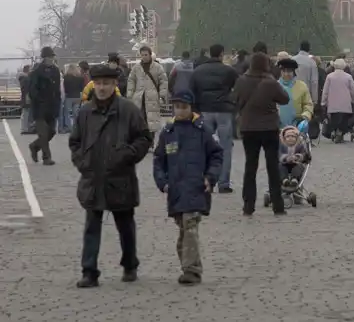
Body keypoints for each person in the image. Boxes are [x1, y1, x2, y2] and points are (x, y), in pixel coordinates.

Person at [69, 64, 151, 288]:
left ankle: (130, 264)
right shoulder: (85, 112)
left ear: (114, 84)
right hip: (93, 178)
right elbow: (75, 141)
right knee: (91, 227)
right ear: (93, 85)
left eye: (106, 83)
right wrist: (82, 162)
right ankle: (89, 271)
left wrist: (127, 155)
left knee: (125, 226)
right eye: (98, 83)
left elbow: (144, 138)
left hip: (120, 177)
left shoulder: (128, 110)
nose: (102, 88)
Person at [153, 90, 223, 285]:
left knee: (190, 226)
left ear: (191, 107)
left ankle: (191, 270)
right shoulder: (168, 133)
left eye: (184, 107)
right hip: (175, 190)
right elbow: (159, 160)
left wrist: (210, 177)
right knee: (184, 231)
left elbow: (216, 155)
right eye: (177, 107)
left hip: (197, 187)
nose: (180, 111)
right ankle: (190, 266)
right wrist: (163, 183)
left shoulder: (203, 130)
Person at [233, 51, 289, 216]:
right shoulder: (270, 82)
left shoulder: (241, 81)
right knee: (273, 167)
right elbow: (284, 99)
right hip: (269, 127)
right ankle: (278, 204)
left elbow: (234, 99)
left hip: (249, 127)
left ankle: (248, 205)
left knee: (250, 166)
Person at [190, 43, 238, 193]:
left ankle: (208, 181)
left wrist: (195, 110)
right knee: (225, 147)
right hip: (224, 110)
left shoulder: (198, 71)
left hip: (205, 110)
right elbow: (237, 89)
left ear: (209, 53)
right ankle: (224, 183)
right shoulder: (229, 71)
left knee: (205, 146)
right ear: (221, 54)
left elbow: (192, 91)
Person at [28, 47, 61, 166]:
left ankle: (34, 146)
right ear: (44, 58)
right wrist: (39, 100)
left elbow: (57, 89)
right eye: (49, 57)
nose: (51, 59)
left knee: (51, 132)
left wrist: (58, 103)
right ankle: (46, 158)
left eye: (52, 57)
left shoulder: (55, 70)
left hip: (52, 106)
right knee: (43, 134)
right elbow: (32, 90)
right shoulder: (36, 71)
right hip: (40, 107)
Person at [127, 46, 168, 137]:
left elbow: (163, 81)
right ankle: (143, 139)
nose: (144, 57)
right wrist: (130, 94)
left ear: (150, 55)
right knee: (140, 121)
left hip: (153, 98)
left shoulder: (157, 67)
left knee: (152, 122)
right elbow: (131, 80)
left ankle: (151, 140)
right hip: (139, 99)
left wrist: (162, 95)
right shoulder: (136, 68)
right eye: (142, 55)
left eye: (146, 55)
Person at [321, 58, 354, 142]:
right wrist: (352, 98)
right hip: (345, 102)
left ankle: (334, 131)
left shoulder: (330, 76)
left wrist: (323, 101)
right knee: (344, 119)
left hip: (332, 102)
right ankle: (340, 132)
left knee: (334, 118)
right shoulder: (348, 76)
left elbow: (325, 90)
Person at [277, 57, 313, 128]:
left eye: (289, 71)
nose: (286, 74)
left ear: (294, 72)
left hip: (297, 126)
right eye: (283, 71)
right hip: (278, 126)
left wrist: (305, 117)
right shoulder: (275, 85)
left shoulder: (302, 86)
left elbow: (308, 104)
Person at [62, 63, 84, 132]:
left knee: (67, 113)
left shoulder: (66, 78)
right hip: (77, 96)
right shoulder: (80, 78)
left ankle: (69, 127)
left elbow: (65, 88)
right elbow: (82, 89)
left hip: (69, 96)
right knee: (76, 113)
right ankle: (76, 126)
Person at [19, 65, 34, 134]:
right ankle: (25, 129)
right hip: (26, 98)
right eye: (30, 69)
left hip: (25, 97)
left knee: (25, 114)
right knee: (26, 114)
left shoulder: (24, 78)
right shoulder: (25, 79)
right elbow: (26, 90)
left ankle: (25, 128)